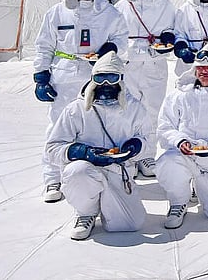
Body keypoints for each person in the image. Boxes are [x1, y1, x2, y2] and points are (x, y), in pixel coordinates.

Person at [34, 0, 128, 202]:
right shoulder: (57, 12)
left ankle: (91, 175)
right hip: (64, 75)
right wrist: (41, 76)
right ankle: (53, 178)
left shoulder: (110, 13)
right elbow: (44, 44)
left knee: (92, 127)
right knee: (57, 126)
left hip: (95, 77)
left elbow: (122, 40)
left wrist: (111, 48)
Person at [45, 52, 149, 240]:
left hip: (118, 169)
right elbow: (53, 148)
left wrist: (136, 145)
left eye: (112, 78)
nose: (106, 84)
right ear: (92, 79)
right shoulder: (75, 110)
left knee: (131, 224)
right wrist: (83, 153)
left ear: (121, 80)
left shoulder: (134, 108)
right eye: (100, 78)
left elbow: (145, 138)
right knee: (77, 172)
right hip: (86, 168)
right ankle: (86, 212)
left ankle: (109, 204)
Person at [156, 43, 208, 229]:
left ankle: (201, 186)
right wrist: (180, 141)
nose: (204, 71)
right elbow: (164, 127)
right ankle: (178, 201)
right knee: (167, 162)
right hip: (184, 155)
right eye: (200, 67)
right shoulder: (179, 95)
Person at [115, 0, 176, 177]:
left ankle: (148, 154)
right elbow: (116, 33)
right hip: (130, 63)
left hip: (154, 64)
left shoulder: (166, 5)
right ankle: (130, 155)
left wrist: (167, 39)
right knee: (127, 108)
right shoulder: (122, 6)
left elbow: (171, 29)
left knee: (152, 109)